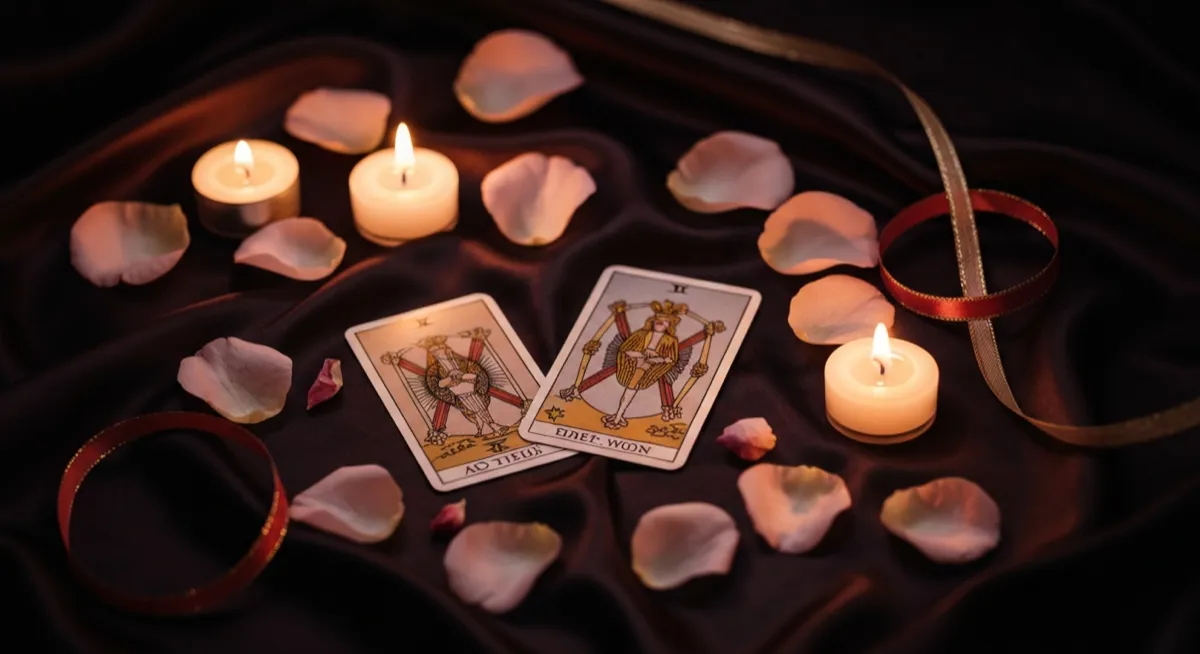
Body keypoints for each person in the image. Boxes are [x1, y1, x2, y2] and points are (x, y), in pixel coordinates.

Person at [602, 300, 684, 428]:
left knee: (630, 390)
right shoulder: (641, 334)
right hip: (633, 364)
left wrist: (656, 358)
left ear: (669, 325)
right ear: (653, 320)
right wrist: (645, 354)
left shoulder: (670, 341)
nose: (660, 323)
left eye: (665, 321)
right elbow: (625, 350)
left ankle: (618, 417)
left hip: (647, 368)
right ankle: (618, 416)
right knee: (630, 390)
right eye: (658, 319)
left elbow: (670, 359)